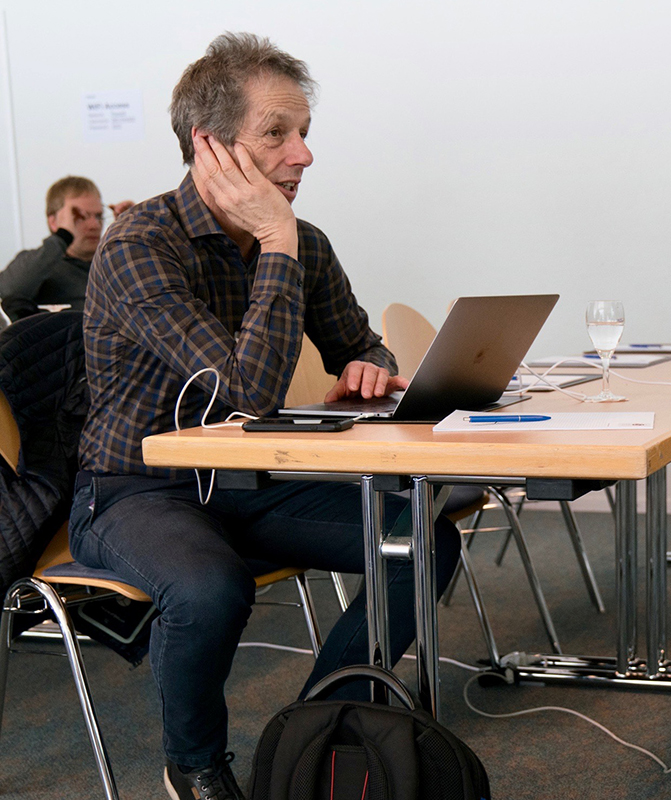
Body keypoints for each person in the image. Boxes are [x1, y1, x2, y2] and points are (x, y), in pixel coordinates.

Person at [68, 33, 459, 800]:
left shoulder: (304, 245)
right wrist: (278, 238)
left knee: (421, 539)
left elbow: (361, 340)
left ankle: (322, 724)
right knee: (211, 589)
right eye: (277, 133)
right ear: (210, 147)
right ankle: (196, 766)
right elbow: (242, 387)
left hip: (250, 483)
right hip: (133, 488)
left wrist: (368, 365)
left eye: (305, 132)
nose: (303, 154)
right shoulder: (141, 246)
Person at [0, 177, 133, 321]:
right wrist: (63, 236)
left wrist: (134, 234)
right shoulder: (39, 267)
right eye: (81, 216)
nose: (94, 225)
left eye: (99, 216)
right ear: (54, 222)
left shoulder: (114, 264)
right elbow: (8, 292)